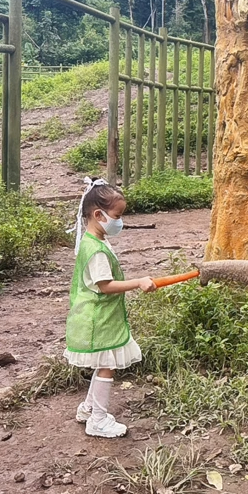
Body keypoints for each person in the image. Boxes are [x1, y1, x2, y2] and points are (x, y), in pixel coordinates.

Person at [64, 178, 156, 438]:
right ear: (98, 214)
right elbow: (105, 285)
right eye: (117, 215)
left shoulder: (94, 241)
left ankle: (88, 408)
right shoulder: (96, 250)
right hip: (98, 318)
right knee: (107, 365)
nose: (119, 221)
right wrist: (138, 282)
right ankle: (98, 420)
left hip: (98, 316)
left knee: (102, 362)